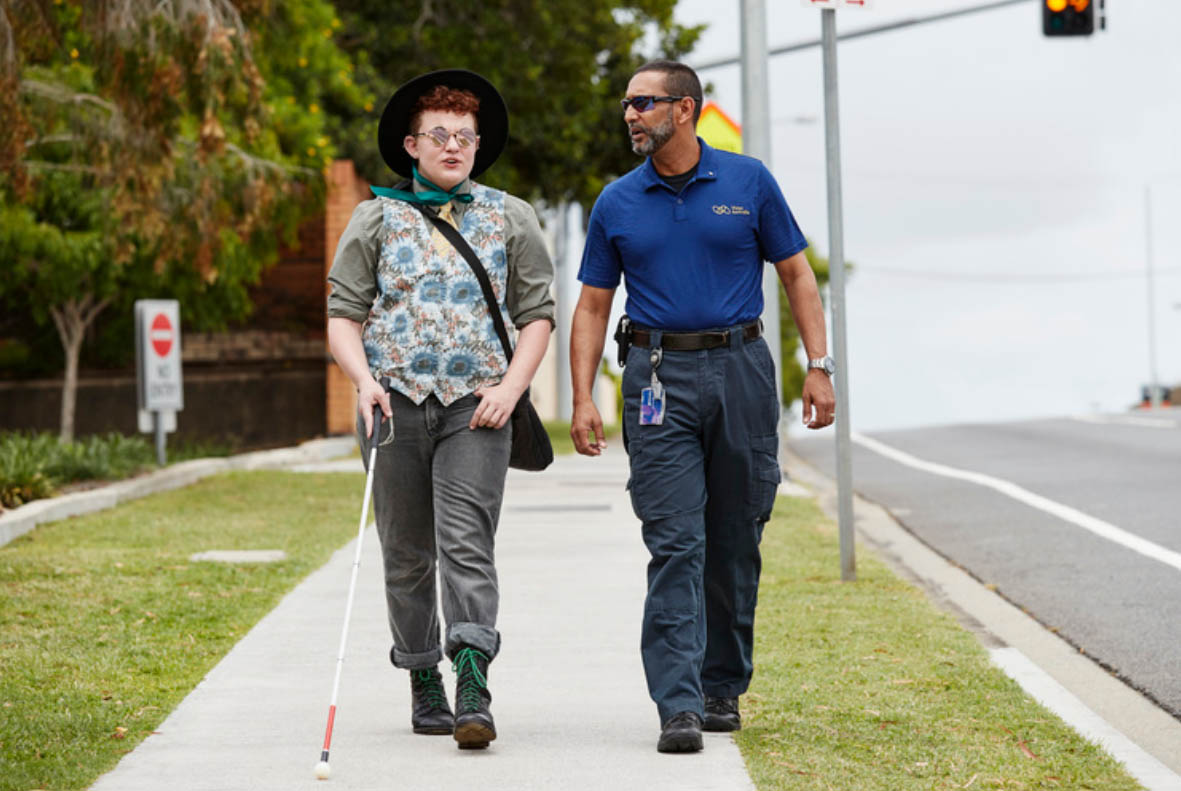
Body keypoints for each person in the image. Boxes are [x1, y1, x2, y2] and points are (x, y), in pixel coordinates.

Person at [569, 60, 836, 753]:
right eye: (626, 103)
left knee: (734, 535)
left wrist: (818, 366)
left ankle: (723, 683)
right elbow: (593, 304)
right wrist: (580, 397)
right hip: (656, 377)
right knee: (674, 541)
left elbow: (796, 274)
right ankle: (678, 702)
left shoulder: (748, 182)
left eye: (643, 102)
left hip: (742, 368)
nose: (629, 114)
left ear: (684, 108)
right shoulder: (616, 202)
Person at [326, 69, 554, 750]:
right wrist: (363, 381)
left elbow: (537, 313)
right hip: (391, 404)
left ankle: (473, 677)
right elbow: (343, 315)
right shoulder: (373, 218)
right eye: (440, 135)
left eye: (465, 137)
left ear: (477, 146)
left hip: (475, 407)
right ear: (411, 144)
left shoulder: (511, 216)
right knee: (404, 553)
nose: (453, 146)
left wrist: (510, 389)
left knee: (465, 545)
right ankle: (423, 674)